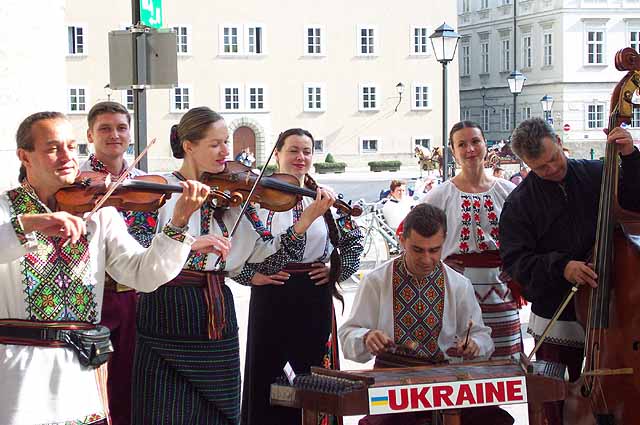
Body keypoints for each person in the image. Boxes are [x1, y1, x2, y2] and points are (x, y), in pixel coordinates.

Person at [0, 111, 209, 425]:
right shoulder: (6, 208)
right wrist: (32, 223)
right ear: (24, 156)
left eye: (72, 147)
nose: (67, 156)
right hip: (17, 371)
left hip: (79, 372)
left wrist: (179, 223)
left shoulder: (98, 213)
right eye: (53, 148)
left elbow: (142, 274)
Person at [131, 109, 334, 425]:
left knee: (221, 412)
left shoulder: (235, 198)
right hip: (167, 310)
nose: (227, 152)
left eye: (226, 142)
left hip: (217, 314)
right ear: (188, 145)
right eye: (216, 144)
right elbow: (135, 252)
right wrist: (184, 241)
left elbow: (267, 259)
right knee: (165, 411)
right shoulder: (157, 190)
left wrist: (305, 220)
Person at [499, 117, 640, 424]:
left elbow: (635, 200)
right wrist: (561, 267)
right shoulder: (519, 205)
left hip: (617, 315)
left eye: (554, 158)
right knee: (558, 403)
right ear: (525, 165)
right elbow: (516, 262)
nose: (552, 169)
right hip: (558, 318)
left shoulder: (596, 173)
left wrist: (629, 156)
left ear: (560, 144)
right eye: (540, 168)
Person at [339, 204, 513, 425]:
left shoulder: (459, 284)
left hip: (447, 381)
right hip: (392, 381)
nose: (427, 259)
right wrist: (365, 337)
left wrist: (474, 345)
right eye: (418, 250)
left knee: (495, 420)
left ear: (444, 243)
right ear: (402, 240)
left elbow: (482, 336)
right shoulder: (376, 281)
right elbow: (348, 336)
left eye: (434, 250)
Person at [239, 128, 364, 425]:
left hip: (312, 293)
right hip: (270, 294)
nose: (300, 157)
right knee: (269, 373)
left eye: (307, 151)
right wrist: (249, 276)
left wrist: (335, 272)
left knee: (315, 375)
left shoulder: (325, 198)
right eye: (293, 150)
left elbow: (353, 242)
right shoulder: (255, 199)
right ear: (278, 153)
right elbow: (236, 250)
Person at [421, 121, 522, 360]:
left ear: (486, 145)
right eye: (462, 144)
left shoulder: (509, 191)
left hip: (501, 289)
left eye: (475, 141)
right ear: (453, 151)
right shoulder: (439, 195)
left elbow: (527, 238)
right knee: (462, 358)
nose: (470, 149)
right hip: (456, 290)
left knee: (504, 363)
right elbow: (413, 237)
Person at [79, 101, 151, 425]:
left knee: (130, 384)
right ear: (90, 134)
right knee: (90, 385)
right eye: (105, 129)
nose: (114, 135)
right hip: (96, 295)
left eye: (121, 128)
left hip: (136, 294)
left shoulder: (147, 183)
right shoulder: (77, 184)